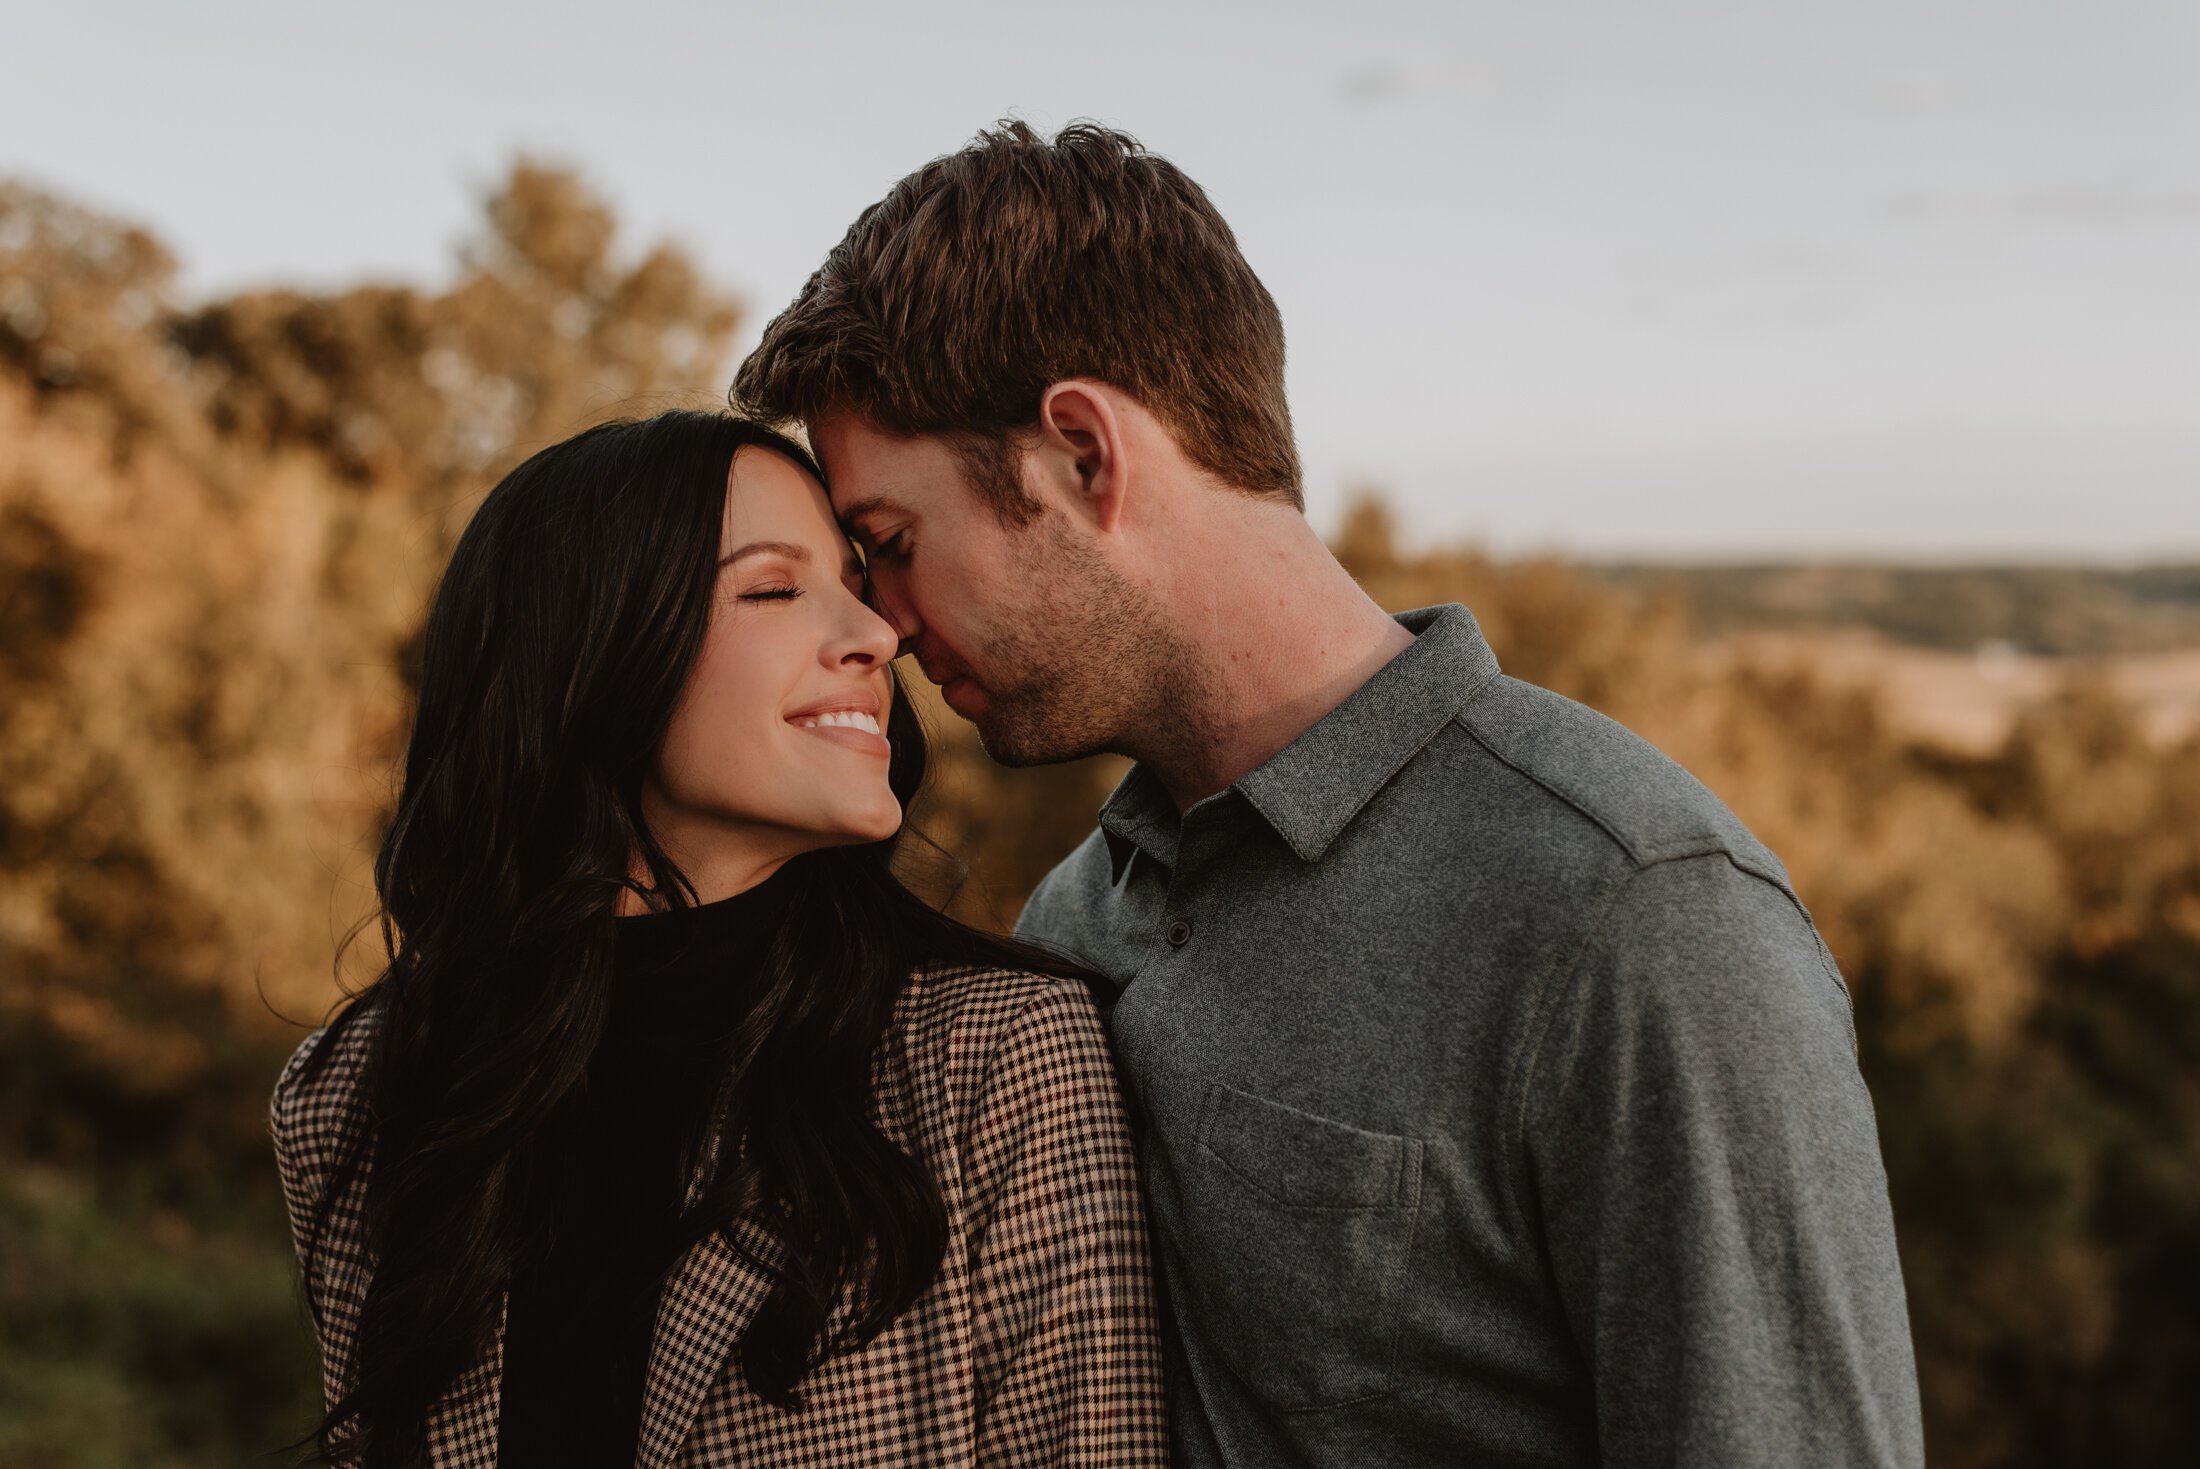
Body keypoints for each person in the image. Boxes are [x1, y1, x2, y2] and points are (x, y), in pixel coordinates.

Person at [732, 121, 1928, 1468]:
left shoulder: (1634, 919)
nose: (881, 623)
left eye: (891, 545)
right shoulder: (1079, 912)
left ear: (1083, 454)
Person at [269, 411, 1167, 1468]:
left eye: (854, 581)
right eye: (773, 588)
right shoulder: (354, 1095)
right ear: (590, 655)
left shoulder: (1001, 1055)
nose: (877, 634)